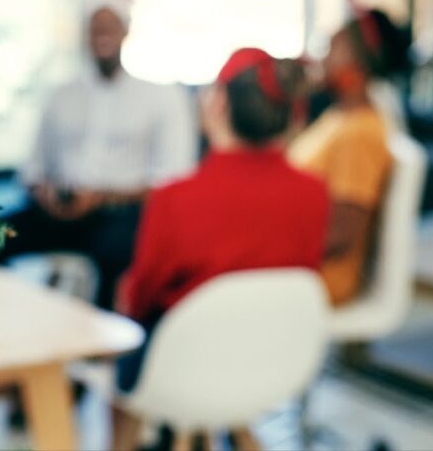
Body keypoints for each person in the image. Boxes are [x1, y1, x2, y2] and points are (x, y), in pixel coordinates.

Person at [111, 48, 329, 451]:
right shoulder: (314, 193)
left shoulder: (175, 199)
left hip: (181, 370)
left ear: (219, 102)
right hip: (273, 367)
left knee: (129, 325)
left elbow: (141, 298)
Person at [0, 0, 197, 308]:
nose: (102, 34)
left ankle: (100, 347)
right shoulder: (61, 95)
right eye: (95, 26)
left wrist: (99, 199)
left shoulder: (160, 98)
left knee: (115, 253)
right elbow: (33, 168)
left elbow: (172, 182)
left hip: (119, 216)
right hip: (58, 212)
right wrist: (47, 194)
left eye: (111, 25)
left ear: (126, 31)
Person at [289, 9, 410, 306]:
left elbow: (341, 235)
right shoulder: (340, 115)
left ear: (358, 59)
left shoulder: (360, 134)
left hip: (321, 282)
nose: (324, 54)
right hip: (301, 272)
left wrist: (268, 243)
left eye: (334, 45)